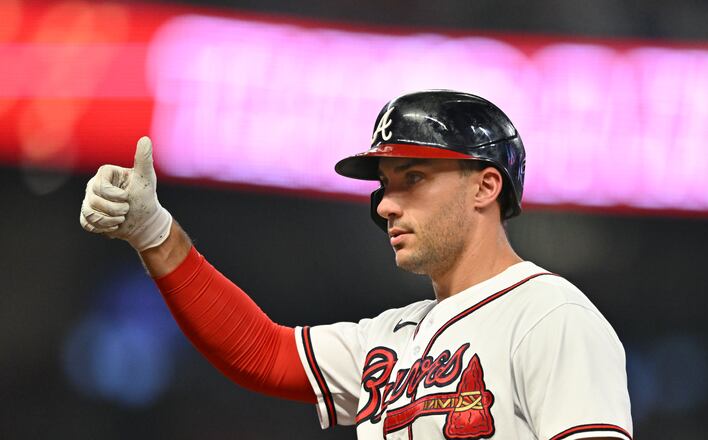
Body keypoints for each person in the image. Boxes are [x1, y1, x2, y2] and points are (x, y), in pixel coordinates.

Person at [80, 90, 632, 440]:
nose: (386, 204)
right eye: (385, 187)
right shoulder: (388, 338)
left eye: (414, 179)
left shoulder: (549, 316)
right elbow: (259, 352)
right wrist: (154, 233)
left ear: (486, 186)